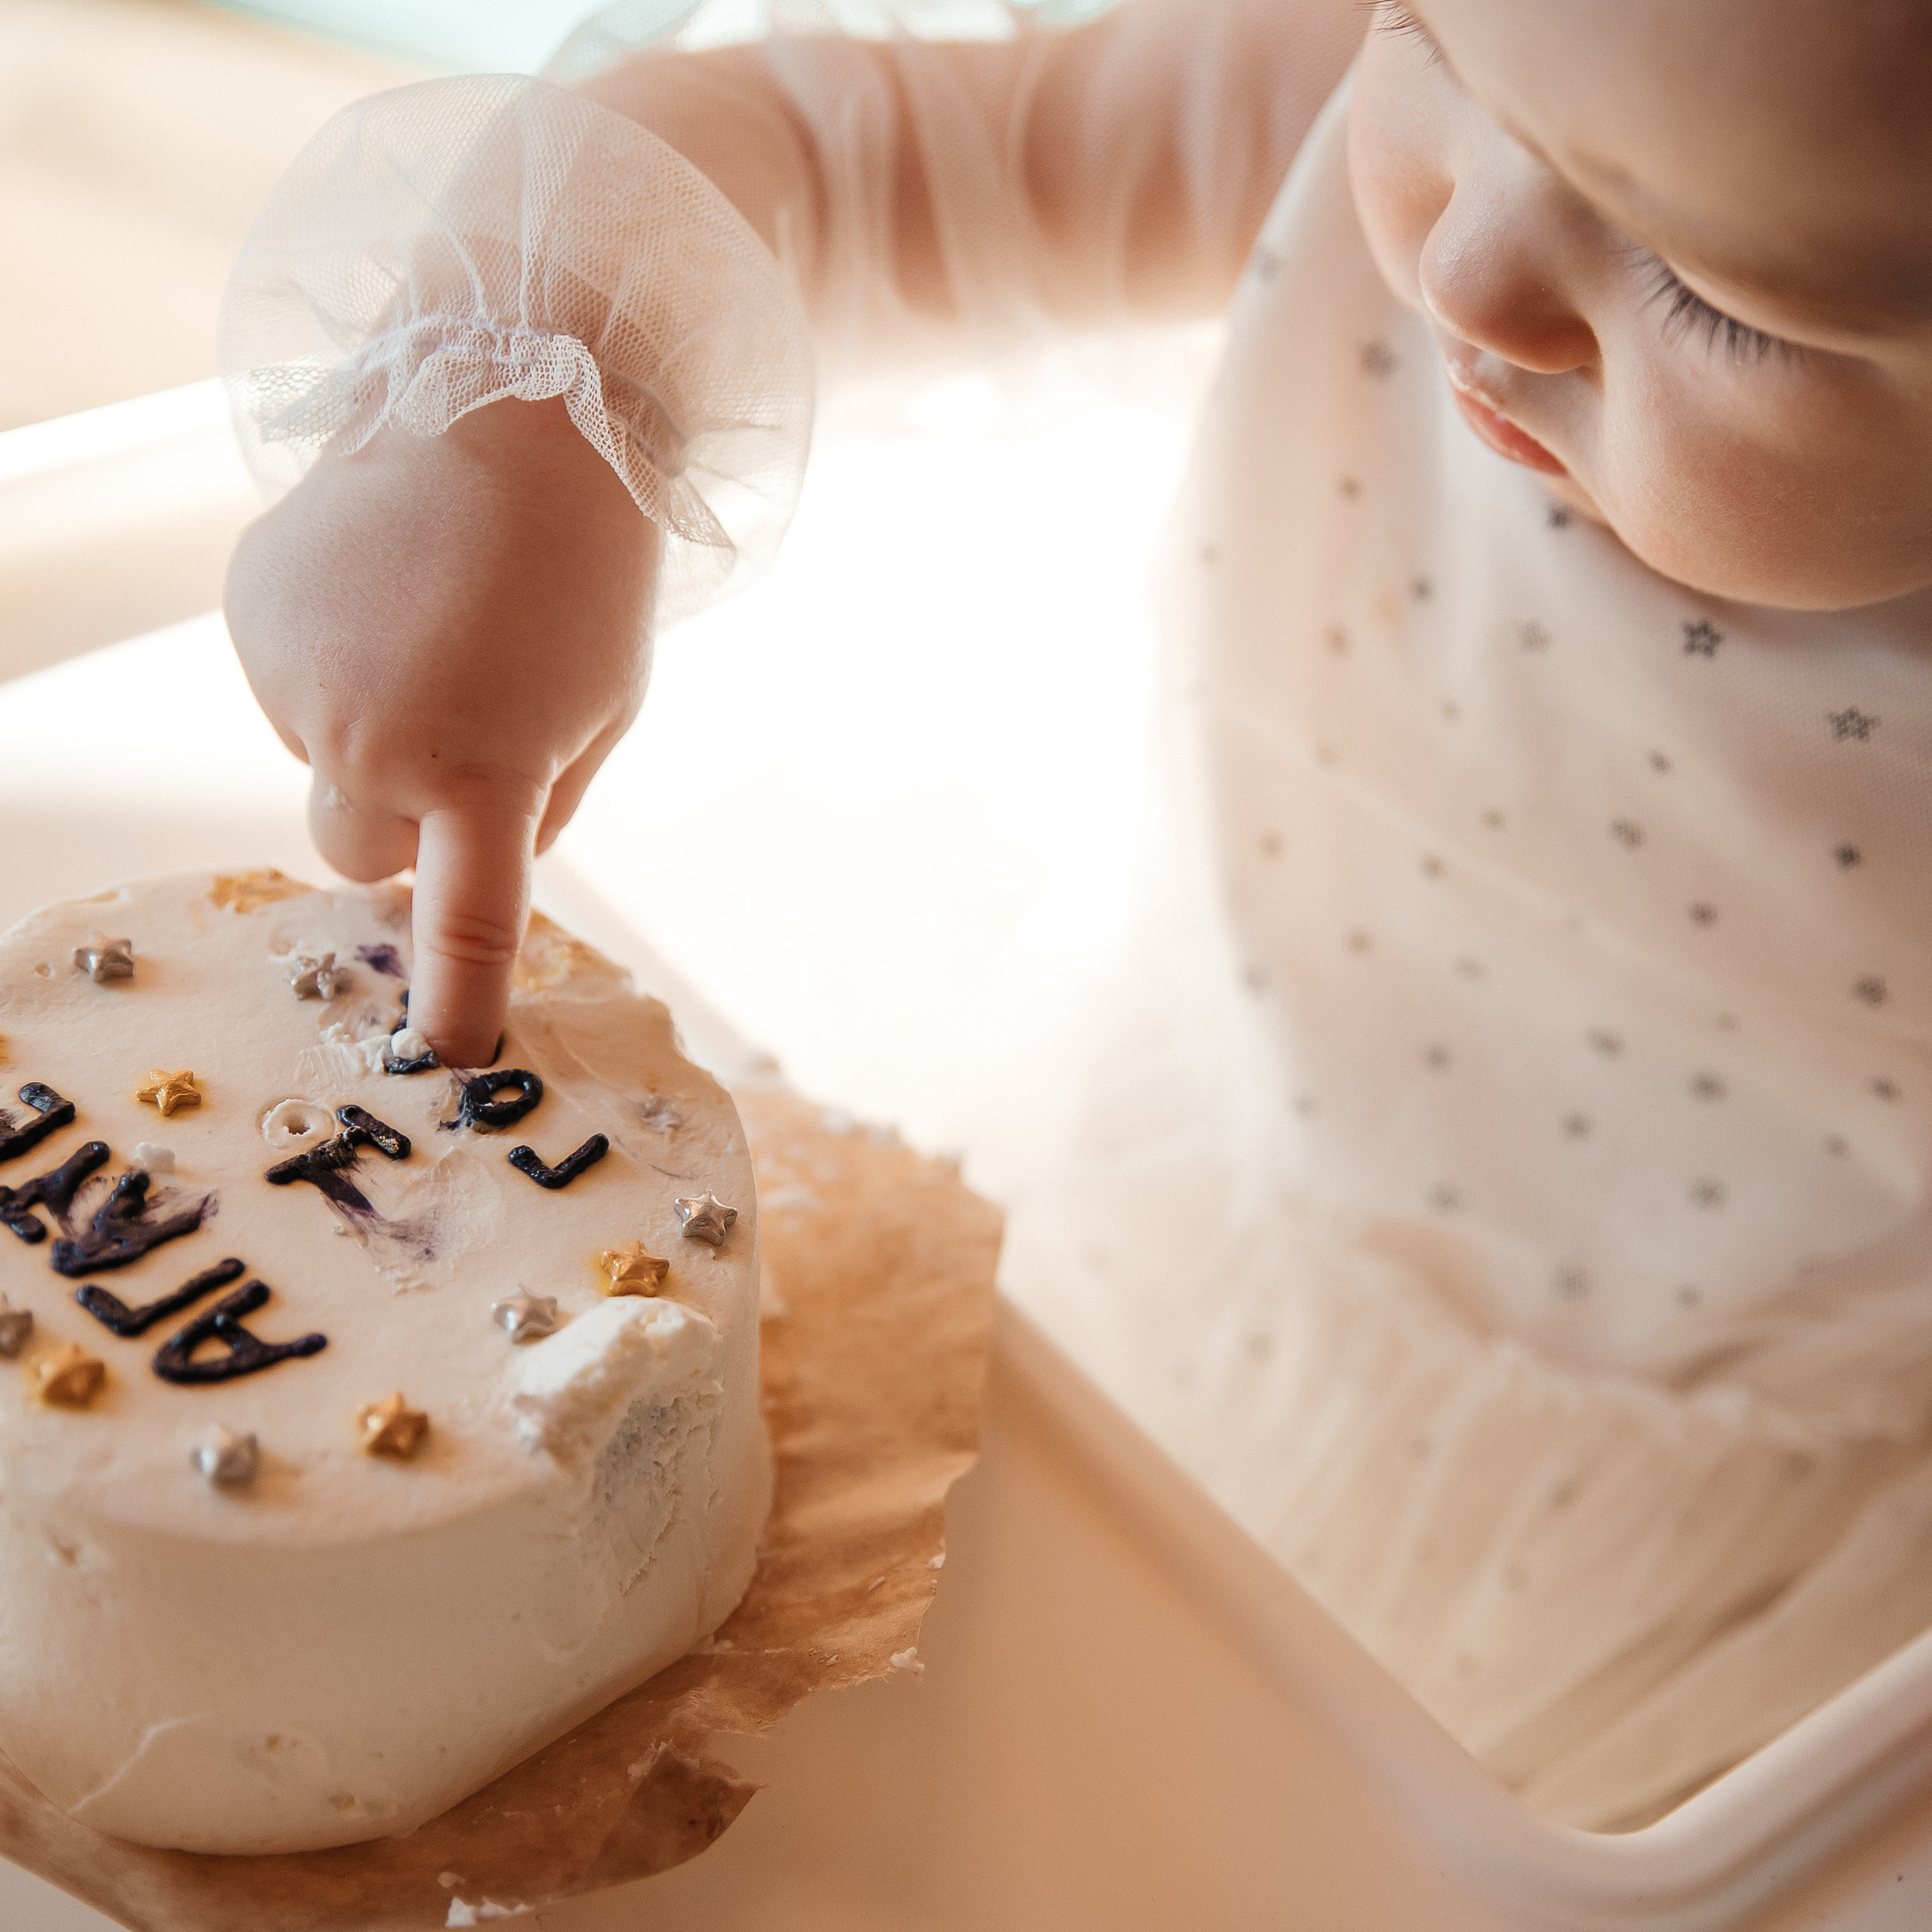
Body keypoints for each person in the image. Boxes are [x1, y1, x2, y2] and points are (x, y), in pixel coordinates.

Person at [220, 0, 1932, 1826]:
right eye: (1430, 42)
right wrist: (526, 410)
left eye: (1718, 301)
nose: (1465, 266)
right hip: (1166, 1167)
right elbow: (838, 151)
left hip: (1701, 1544)